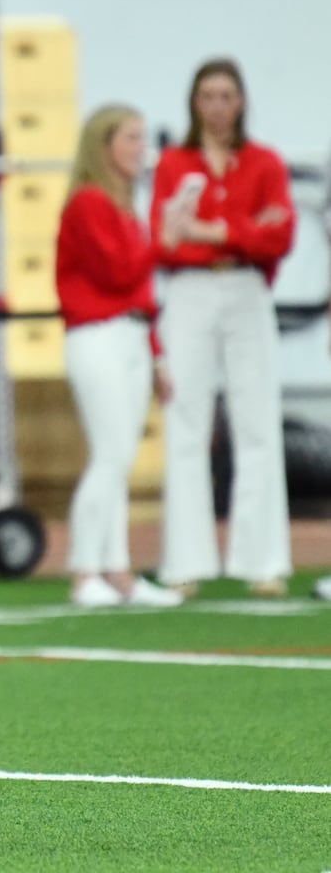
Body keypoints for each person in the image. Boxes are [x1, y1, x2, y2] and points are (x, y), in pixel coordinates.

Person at [149, 58, 295, 598]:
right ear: (194, 102)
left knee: (257, 419)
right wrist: (242, 230)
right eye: (207, 95)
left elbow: (278, 239)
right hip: (189, 291)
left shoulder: (264, 163)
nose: (216, 106)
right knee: (185, 419)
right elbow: (164, 241)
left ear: (241, 101)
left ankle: (262, 561)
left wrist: (209, 229)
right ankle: (185, 561)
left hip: (247, 289)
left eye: (226, 96)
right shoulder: (173, 163)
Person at [55, 104, 184, 608]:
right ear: (103, 144)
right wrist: (163, 240)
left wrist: (157, 357)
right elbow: (118, 273)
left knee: (118, 457)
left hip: (129, 337)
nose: (139, 148)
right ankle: (86, 569)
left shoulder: (125, 205)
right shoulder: (89, 204)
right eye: (130, 138)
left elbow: (140, 292)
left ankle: (116, 570)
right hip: (97, 336)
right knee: (109, 455)